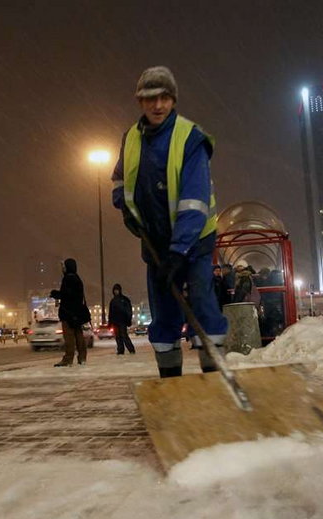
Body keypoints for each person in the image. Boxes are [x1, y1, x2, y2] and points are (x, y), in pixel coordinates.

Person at [111, 66, 227, 378]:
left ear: (173, 100)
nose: (157, 105)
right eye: (150, 99)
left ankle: (214, 373)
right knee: (164, 310)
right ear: (140, 102)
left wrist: (179, 252)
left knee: (201, 302)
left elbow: (194, 200)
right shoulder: (131, 139)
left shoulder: (191, 138)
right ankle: (171, 379)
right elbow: (120, 179)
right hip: (156, 242)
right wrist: (125, 208)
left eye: (164, 98)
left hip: (195, 241)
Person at [50, 258, 91, 366]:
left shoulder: (67, 279)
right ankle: (82, 357)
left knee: (69, 337)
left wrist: (55, 294)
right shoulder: (77, 278)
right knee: (79, 336)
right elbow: (76, 296)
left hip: (68, 313)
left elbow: (67, 295)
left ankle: (68, 359)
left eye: (64, 267)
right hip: (77, 313)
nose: (62, 269)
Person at [108, 283, 136, 355]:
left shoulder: (124, 299)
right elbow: (110, 312)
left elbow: (129, 311)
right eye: (115, 290)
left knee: (124, 335)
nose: (116, 292)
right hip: (115, 321)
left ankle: (131, 349)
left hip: (122, 321)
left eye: (117, 290)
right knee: (118, 336)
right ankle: (120, 350)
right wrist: (110, 322)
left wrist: (128, 319)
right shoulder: (113, 301)